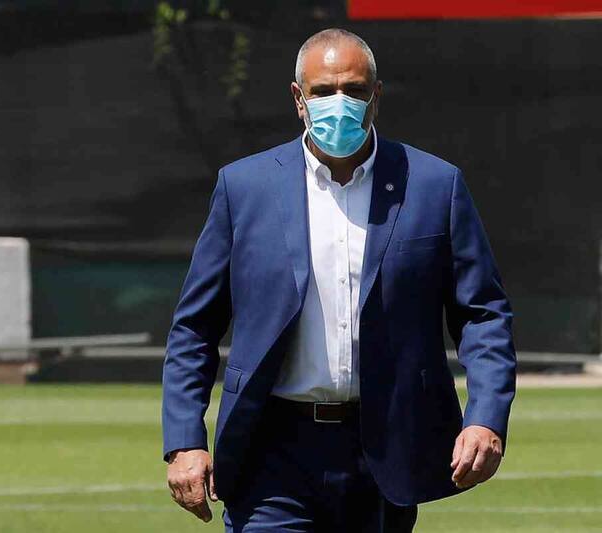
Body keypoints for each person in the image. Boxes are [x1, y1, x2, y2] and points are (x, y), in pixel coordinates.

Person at [161, 28, 516, 532]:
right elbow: (195, 327)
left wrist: (485, 416)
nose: (339, 103)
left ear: (377, 95)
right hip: (271, 449)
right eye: (324, 91)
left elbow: (483, 315)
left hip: (386, 447)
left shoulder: (435, 185)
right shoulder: (244, 187)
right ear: (298, 98)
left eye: (354, 89)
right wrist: (184, 441)